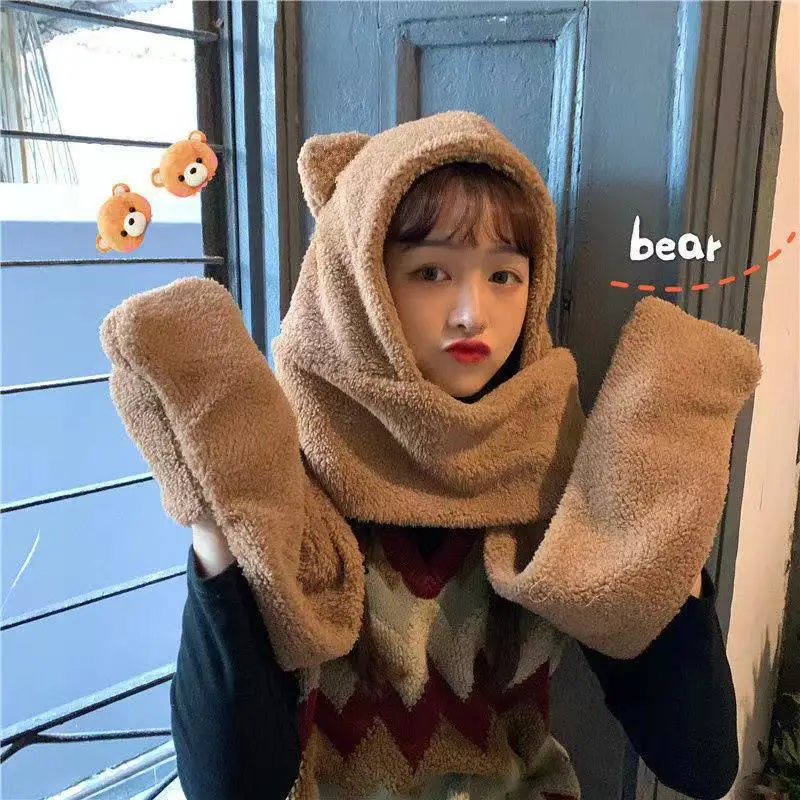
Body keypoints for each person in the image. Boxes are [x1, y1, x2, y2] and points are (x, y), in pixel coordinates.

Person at [102, 112, 757, 800]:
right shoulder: (284, 478)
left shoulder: (557, 473)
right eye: (432, 271)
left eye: (504, 275)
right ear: (357, 286)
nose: (473, 312)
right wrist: (219, 522)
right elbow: (230, 786)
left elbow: (701, 762)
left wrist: (665, 517)